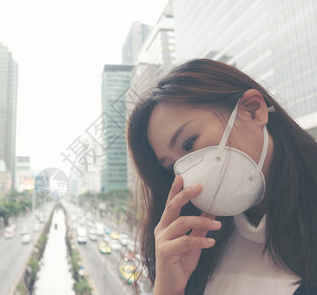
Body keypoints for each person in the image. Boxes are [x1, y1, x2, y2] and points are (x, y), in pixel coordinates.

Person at [126, 59, 317, 295]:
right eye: (172, 167)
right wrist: (168, 289)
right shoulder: (195, 252)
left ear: (253, 111)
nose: (187, 174)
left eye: (189, 143)